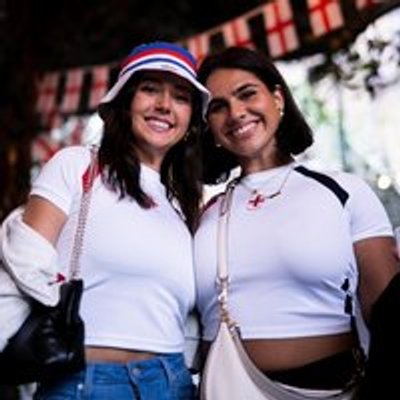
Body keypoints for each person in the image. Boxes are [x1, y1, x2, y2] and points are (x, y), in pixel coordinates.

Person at [4, 41, 209, 400]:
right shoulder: (77, 165)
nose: (164, 104)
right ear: (124, 102)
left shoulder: (183, 204)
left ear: (191, 119)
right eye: (149, 89)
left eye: (180, 97)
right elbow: (23, 264)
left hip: (172, 383)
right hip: (82, 381)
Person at [193, 46, 400, 398]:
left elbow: (387, 312)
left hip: (330, 390)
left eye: (247, 94)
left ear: (278, 99)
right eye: (218, 107)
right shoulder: (208, 214)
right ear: (208, 126)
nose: (236, 113)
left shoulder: (344, 191)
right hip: (222, 389)